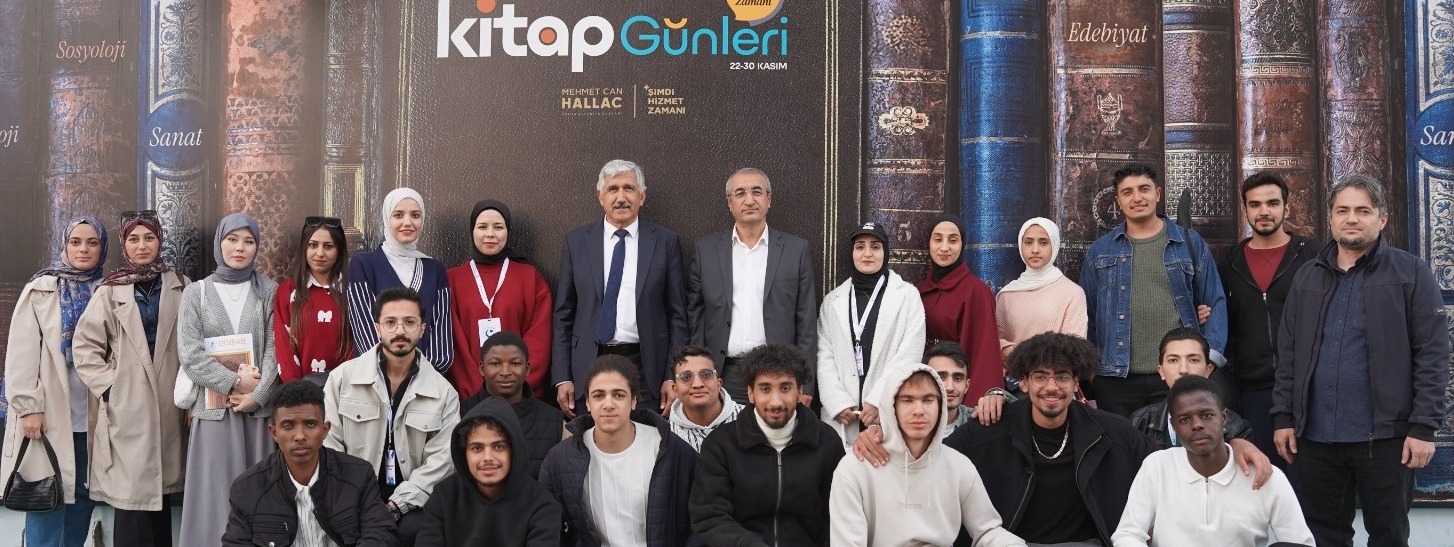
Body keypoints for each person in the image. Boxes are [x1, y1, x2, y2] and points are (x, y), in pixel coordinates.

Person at [853, 332, 1271, 546]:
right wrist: (882, 434)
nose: (1051, 387)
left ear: (1076, 384)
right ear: (1023, 382)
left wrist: (1231, 446)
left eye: (1062, 377)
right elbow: (928, 457)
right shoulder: (988, 432)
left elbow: (1173, 464)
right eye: (1040, 376)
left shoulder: (1113, 433)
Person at [1272, 175, 1451, 547]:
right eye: (1342, 210)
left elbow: (1433, 356)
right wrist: (1284, 417)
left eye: (1362, 211)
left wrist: (1423, 428)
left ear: (1381, 219)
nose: (1351, 219)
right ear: (1331, 218)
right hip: (1316, 436)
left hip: (1385, 438)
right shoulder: (1307, 276)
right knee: (1322, 536)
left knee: (1388, 536)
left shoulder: (1411, 273)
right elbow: (1288, 354)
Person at [70, 212, 188, 547]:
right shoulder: (110, 291)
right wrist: (112, 389)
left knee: (159, 496)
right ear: (124, 244)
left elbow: (196, 341)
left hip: (170, 402)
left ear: (160, 241)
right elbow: (85, 347)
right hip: (127, 406)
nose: (142, 246)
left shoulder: (182, 285)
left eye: (149, 238)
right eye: (134, 239)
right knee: (132, 498)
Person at [1079, 163, 1228, 417]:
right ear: (1118, 201)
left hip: (1176, 377)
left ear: (1158, 194)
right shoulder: (1101, 251)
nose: (1137, 198)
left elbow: (1215, 303)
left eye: (1144, 189)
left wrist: (1208, 362)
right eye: (1127, 192)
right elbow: (1088, 315)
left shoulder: (1189, 243)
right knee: (1120, 443)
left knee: (1175, 443)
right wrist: (1092, 374)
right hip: (1115, 381)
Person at [830, 363, 1025, 547]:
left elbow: (987, 531)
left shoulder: (958, 465)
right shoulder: (854, 469)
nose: (919, 411)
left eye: (928, 400)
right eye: (907, 400)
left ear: (940, 405)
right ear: (891, 407)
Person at [176, 212, 281, 547]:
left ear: (257, 247)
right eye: (232, 239)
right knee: (215, 498)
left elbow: (275, 350)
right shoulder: (196, 293)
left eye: (248, 241)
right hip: (213, 413)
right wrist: (236, 383)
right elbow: (190, 354)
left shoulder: (270, 291)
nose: (240, 248)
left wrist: (257, 395)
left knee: (259, 498)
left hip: (256, 414)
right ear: (219, 243)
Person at [324, 287, 461, 545]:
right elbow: (329, 445)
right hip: (350, 500)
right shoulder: (342, 379)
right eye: (390, 322)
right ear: (377, 328)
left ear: (422, 329)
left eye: (409, 322)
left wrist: (397, 505)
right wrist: (354, 500)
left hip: (412, 506)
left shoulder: (443, 392)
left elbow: (443, 461)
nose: (400, 330)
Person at [1, 216, 107, 547]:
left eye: (92, 242)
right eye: (75, 242)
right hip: (48, 414)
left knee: (83, 496)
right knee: (46, 494)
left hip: (93, 414)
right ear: (64, 245)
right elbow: (21, 353)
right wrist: (29, 407)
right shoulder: (42, 288)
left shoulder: (108, 289)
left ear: (102, 248)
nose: (83, 249)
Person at [553, 159, 688, 417]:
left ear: (642, 196)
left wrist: (673, 375)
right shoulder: (577, 242)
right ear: (600, 197)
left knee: (646, 438)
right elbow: (563, 314)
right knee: (590, 440)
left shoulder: (665, 242)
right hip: (589, 364)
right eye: (613, 189)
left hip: (646, 367)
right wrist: (562, 376)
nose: (621, 197)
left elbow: (677, 315)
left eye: (629, 188)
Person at [1113, 375, 1313, 547]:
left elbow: (1299, 542)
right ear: (1173, 426)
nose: (1197, 425)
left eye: (1207, 415)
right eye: (1184, 419)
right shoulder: (1157, 467)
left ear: (1224, 417)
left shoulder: (1265, 474)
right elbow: (1128, 534)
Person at [686, 167, 818, 405]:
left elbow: (806, 320)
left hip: (778, 374)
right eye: (740, 193)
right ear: (729, 202)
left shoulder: (795, 250)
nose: (749, 200)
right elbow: (696, 315)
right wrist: (699, 372)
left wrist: (805, 384)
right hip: (723, 373)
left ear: (769, 199)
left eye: (757, 192)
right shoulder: (706, 250)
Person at [690, 343, 842, 546]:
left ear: (800, 392)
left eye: (785, 388)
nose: (775, 402)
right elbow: (710, 516)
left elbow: (838, 517)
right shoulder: (721, 444)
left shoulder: (827, 442)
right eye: (765, 389)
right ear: (751, 393)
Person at [539, 355, 698, 547]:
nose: (608, 404)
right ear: (587, 403)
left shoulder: (671, 449)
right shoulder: (561, 458)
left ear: (634, 401)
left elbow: (700, 519)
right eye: (598, 396)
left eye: (619, 395)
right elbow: (545, 526)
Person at [1216, 172, 1319, 468]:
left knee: (1308, 478)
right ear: (1245, 209)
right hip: (1252, 390)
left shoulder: (1313, 255)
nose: (1264, 211)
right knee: (1261, 475)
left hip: (1307, 387)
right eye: (1255, 204)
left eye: (1272, 203)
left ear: (1287, 207)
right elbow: (1223, 316)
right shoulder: (1231, 261)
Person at [222, 380, 400, 547]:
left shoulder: (358, 475)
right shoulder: (248, 488)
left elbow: (380, 533)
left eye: (310, 424)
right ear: (274, 433)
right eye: (288, 425)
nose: (300, 436)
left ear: (325, 429)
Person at [817, 221, 925, 447]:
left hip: (886, 413)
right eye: (860, 247)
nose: (867, 253)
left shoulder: (908, 296)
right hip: (844, 417)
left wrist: (879, 400)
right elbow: (823, 355)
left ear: (886, 253)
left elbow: (909, 354)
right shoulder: (833, 301)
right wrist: (836, 402)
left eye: (875, 247)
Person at [417, 395, 562, 547]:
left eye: (498, 447)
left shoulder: (541, 504)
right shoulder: (444, 496)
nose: (488, 457)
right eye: (477, 448)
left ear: (514, 450)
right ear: (464, 453)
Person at [447, 199, 553, 400]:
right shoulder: (452, 280)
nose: (490, 234)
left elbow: (540, 340)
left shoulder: (530, 278)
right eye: (482, 227)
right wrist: (478, 394)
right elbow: (456, 346)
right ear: (472, 231)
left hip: (520, 399)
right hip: (470, 401)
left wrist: (516, 387)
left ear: (508, 231)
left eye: (498, 227)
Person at [348, 188, 453, 375]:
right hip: (375, 379)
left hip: (425, 381)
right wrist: (392, 375)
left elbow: (441, 334)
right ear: (387, 218)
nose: (408, 222)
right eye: (398, 215)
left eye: (415, 215)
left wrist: (422, 377)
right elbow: (364, 331)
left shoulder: (434, 269)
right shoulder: (363, 265)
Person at [918, 214, 1004, 402]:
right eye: (938, 239)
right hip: (924, 388)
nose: (944, 248)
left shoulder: (976, 292)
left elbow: (984, 352)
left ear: (962, 244)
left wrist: (977, 403)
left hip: (956, 390)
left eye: (953, 240)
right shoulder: (919, 291)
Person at [457, 331, 565, 478]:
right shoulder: (460, 415)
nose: (505, 372)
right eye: (495, 364)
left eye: (515, 364)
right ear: (482, 368)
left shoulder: (554, 421)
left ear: (527, 368)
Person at [1129, 328, 1253, 449]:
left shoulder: (1236, 427)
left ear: (1208, 370)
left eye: (1193, 360)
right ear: (1161, 371)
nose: (1183, 370)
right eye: (1173, 360)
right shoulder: (1140, 420)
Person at [994, 217, 1087, 374]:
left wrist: (1029, 357)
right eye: (1028, 242)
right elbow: (994, 341)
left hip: (1054, 380)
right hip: (1015, 380)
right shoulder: (1007, 294)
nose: (1035, 249)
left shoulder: (1072, 293)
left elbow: (1074, 348)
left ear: (1054, 245)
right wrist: (1010, 351)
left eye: (1043, 242)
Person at [274, 216, 352, 384]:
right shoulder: (287, 291)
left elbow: (356, 345)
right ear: (304, 247)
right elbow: (283, 345)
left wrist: (342, 386)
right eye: (313, 245)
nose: (320, 253)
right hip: (299, 391)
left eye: (328, 246)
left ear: (339, 250)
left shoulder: (351, 291)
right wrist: (298, 390)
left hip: (344, 389)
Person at [666, 344, 743, 451]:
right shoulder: (665, 436)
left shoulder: (753, 420)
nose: (697, 384)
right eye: (685, 377)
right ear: (675, 390)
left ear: (719, 383)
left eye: (706, 375)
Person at [924, 340, 995, 438]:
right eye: (941, 377)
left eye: (958, 378)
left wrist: (999, 396)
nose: (950, 387)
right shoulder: (908, 422)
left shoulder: (978, 419)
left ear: (967, 385)